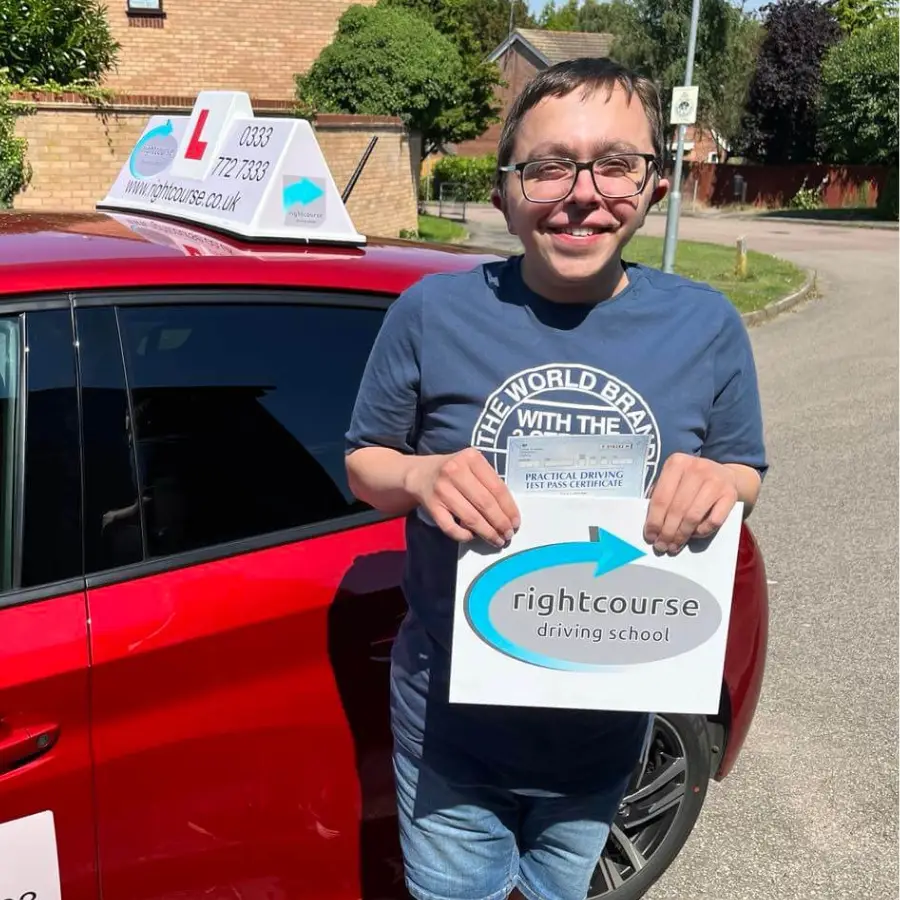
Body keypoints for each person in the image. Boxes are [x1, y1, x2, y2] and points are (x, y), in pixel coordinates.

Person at [344, 56, 767, 900]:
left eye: (616, 163)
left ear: (652, 185)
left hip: (606, 727)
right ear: (505, 190)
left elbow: (744, 468)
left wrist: (717, 482)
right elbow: (364, 464)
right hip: (451, 723)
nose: (583, 193)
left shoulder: (706, 327)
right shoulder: (430, 313)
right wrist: (423, 477)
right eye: (547, 167)